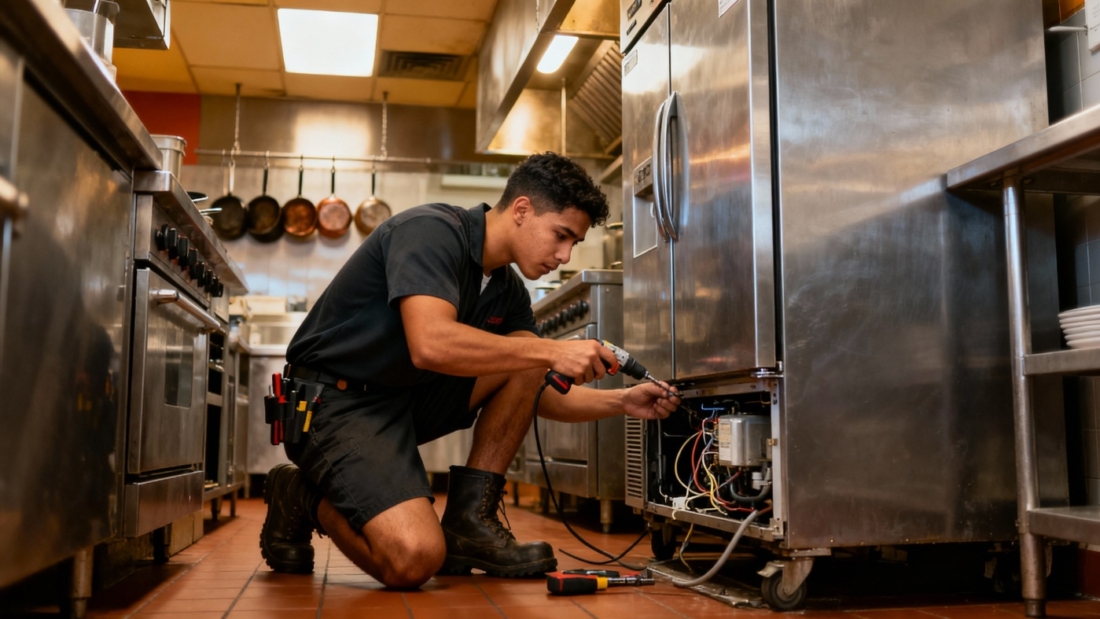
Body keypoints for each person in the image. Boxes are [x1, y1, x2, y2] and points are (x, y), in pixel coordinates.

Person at [259, 152, 680, 589]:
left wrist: (622, 401)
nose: (564, 254)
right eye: (561, 235)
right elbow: (430, 344)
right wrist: (549, 353)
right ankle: (301, 494)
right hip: (333, 402)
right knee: (414, 559)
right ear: (522, 209)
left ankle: (468, 522)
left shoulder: (506, 289)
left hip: (400, 402)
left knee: (526, 353)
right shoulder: (431, 232)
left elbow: (533, 385)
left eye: (574, 243)